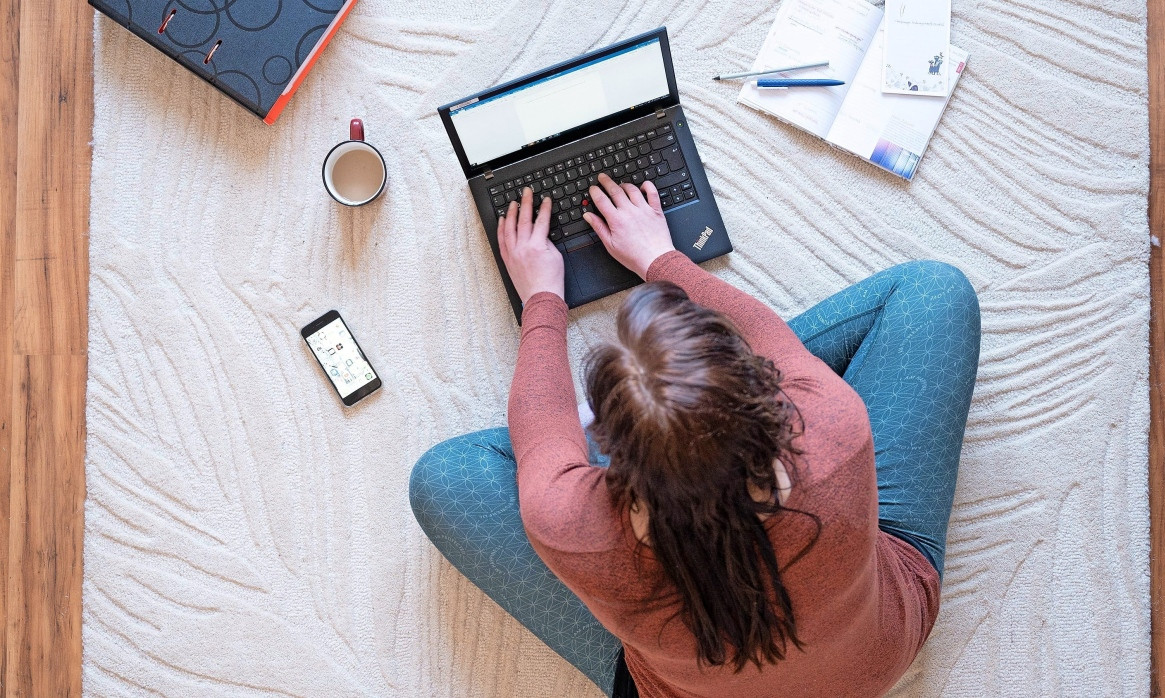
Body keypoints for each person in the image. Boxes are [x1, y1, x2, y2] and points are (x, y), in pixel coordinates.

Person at [409, 173, 980, 697]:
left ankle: (665, 426)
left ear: (606, 447)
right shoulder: (830, 426)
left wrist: (542, 297)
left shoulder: (573, 525)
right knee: (934, 290)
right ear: (763, 389)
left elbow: (542, 437)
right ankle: (682, 410)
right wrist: (663, 257)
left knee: (442, 477)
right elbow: (765, 333)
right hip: (875, 656)